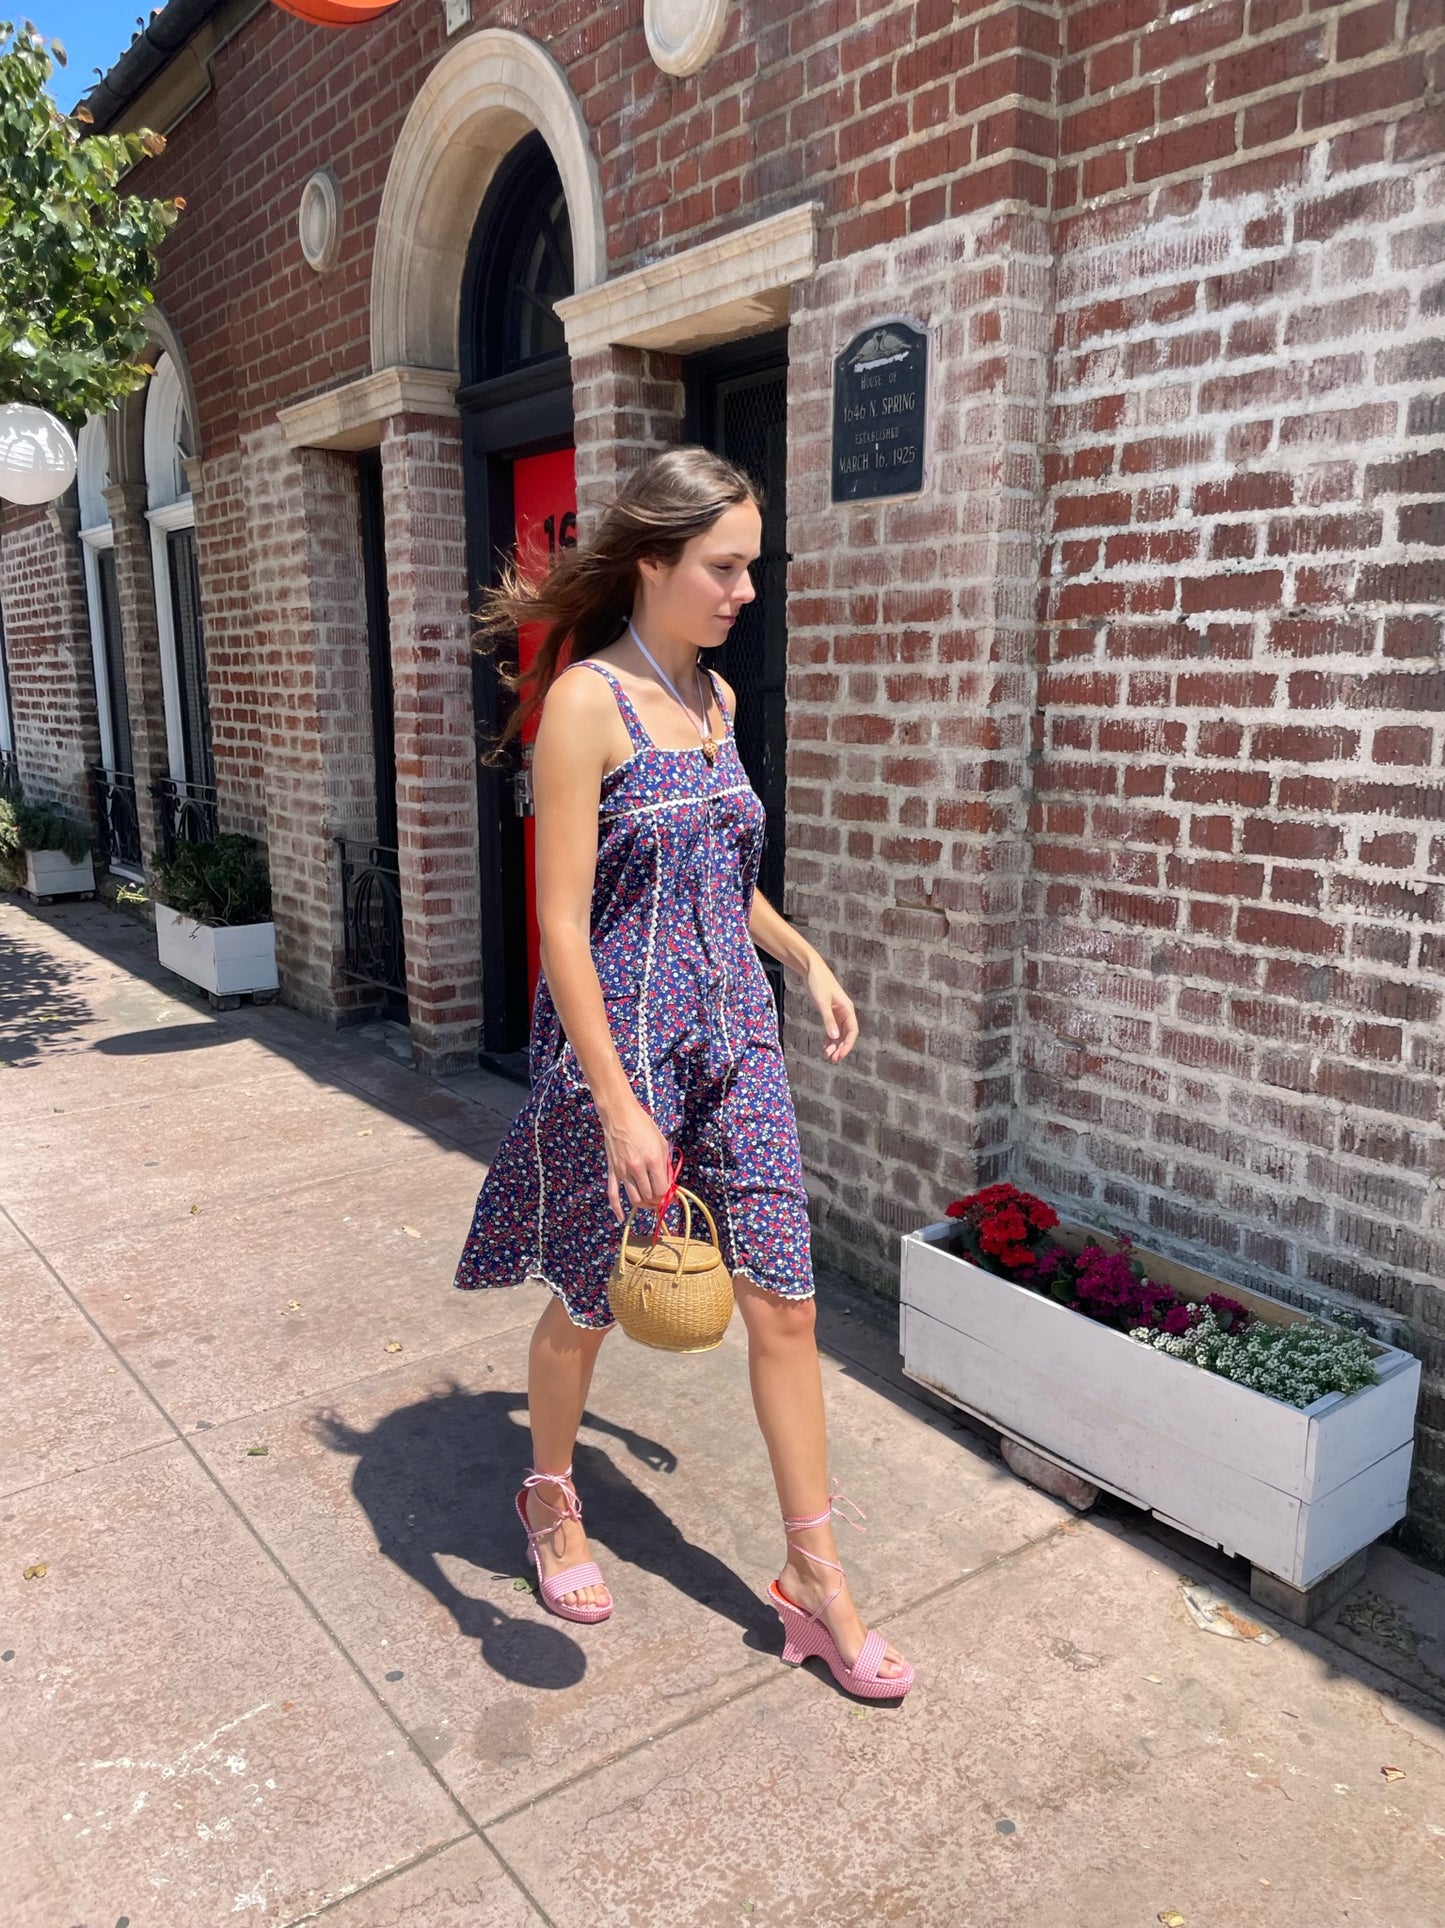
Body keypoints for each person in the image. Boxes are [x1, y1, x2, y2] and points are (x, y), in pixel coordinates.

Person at [453, 447, 913, 1701]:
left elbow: (720, 874)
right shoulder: (585, 704)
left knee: (787, 1305)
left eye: (748, 565)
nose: (745, 590)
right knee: (596, 1294)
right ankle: (548, 1493)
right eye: (726, 565)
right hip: (626, 1046)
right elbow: (557, 924)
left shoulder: (709, 700)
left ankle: (814, 1580)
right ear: (652, 562)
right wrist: (612, 1102)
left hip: (735, 1041)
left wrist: (802, 955)